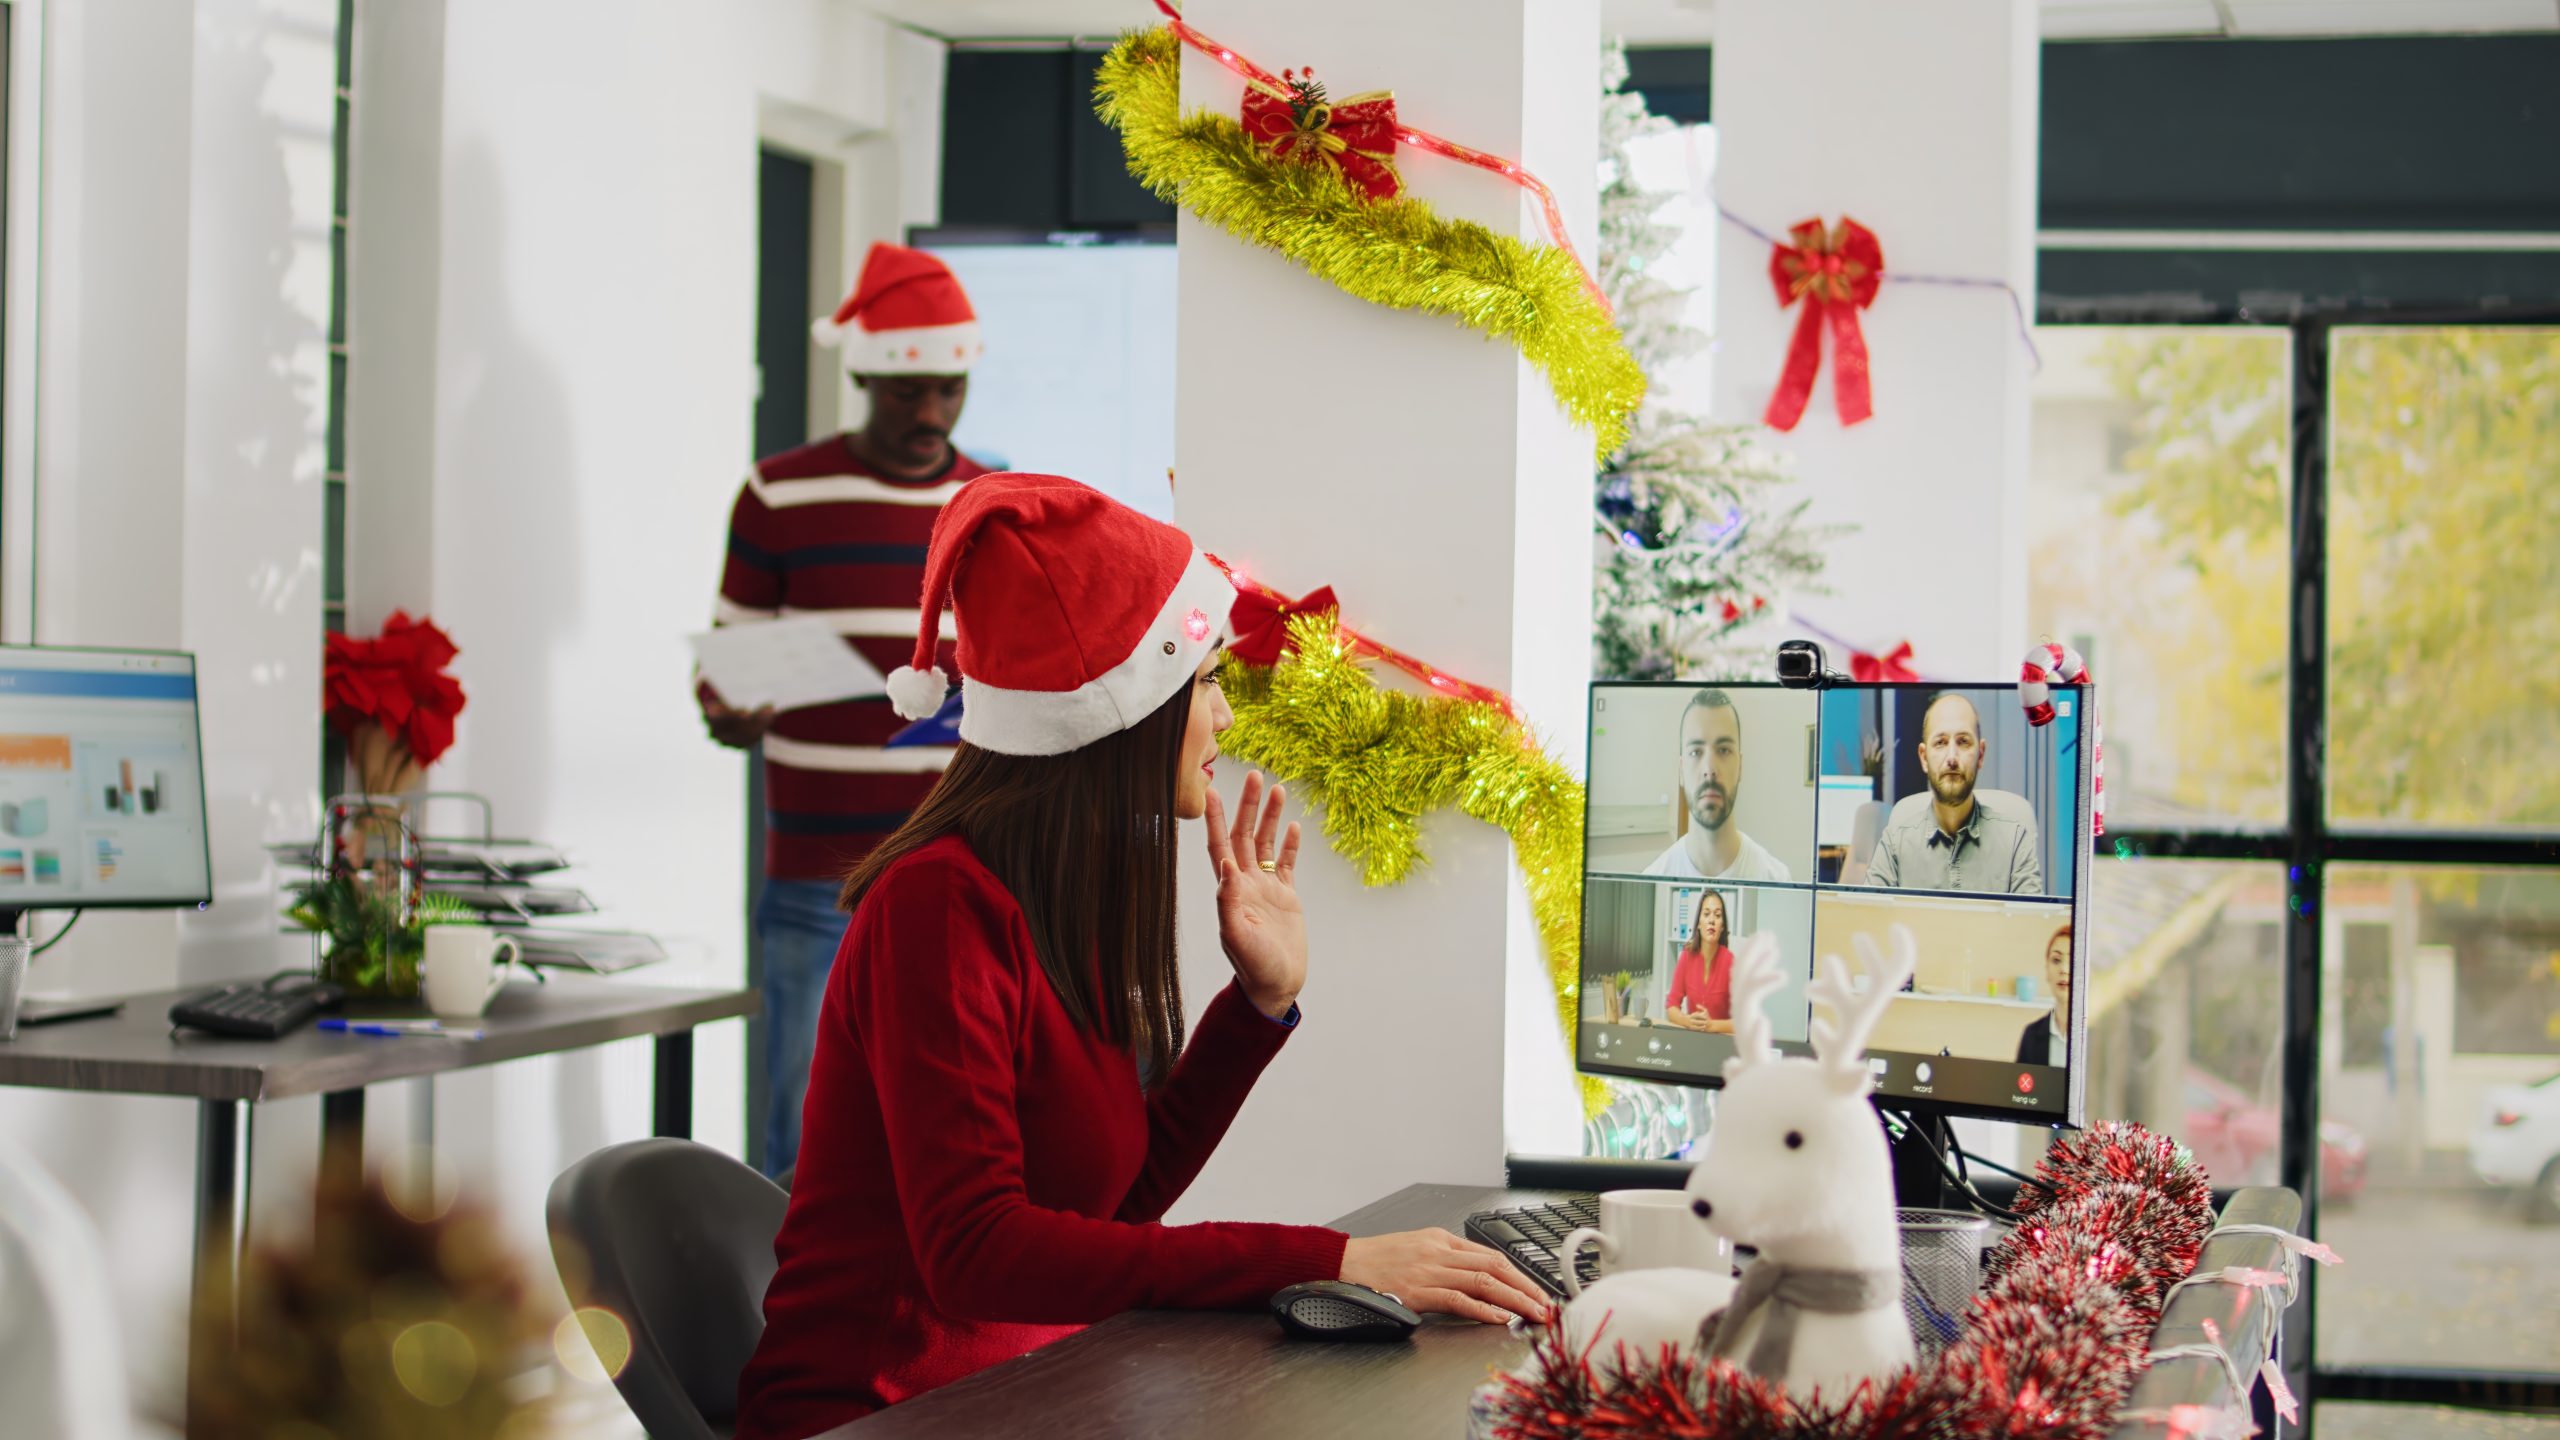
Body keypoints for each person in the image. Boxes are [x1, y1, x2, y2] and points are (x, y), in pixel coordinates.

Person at [733, 475, 1548, 1439]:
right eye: (1204, 682)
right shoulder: (936, 908)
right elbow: (977, 1251)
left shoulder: (1065, 891)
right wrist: (1322, 1260)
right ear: (1119, 712)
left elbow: (1115, 1201)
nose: (1225, 719)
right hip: (876, 1413)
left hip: (1027, 1395)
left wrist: (1258, 1005)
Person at [698, 242, 996, 1177]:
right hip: (814, 881)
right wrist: (729, 706)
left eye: (949, 390)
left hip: (957, 873)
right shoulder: (779, 493)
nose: (931, 412)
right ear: (866, 375)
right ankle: (784, 1321)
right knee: (799, 1132)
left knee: (951, 1128)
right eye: (910, 392)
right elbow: (727, 665)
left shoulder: (988, 500)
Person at [1868, 692, 2042, 895]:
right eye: (1940, 743)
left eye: (1963, 742)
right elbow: (1869, 918)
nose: (1952, 757)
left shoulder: (2015, 841)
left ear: (1981, 755)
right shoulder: (1894, 841)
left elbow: (2030, 923)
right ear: (1924, 758)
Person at [1642, 688, 1793, 882]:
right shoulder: (1654, 880)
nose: (1710, 769)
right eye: (1696, 752)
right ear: (1681, 770)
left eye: (1723, 750)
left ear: (1740, 766)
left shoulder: (1777, 879)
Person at [1662, 889, 1736, 1034]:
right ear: (1698, 924)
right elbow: (1672, 1006)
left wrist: (1712, 1025)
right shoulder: (1687, 956)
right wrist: (1687, 1021)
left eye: (1718, 915)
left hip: (1721, 1045)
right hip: (1693, 1040)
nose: (1711, 920)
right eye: (1706, 914)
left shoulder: (1731, 962)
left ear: (1722, 927)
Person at [2016, 922, 2072, 1067]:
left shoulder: (2100, 1037)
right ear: (2046, 970)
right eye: (2056, 960)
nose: (2064, 969)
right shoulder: (2031, 1035)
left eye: (2073, 960)